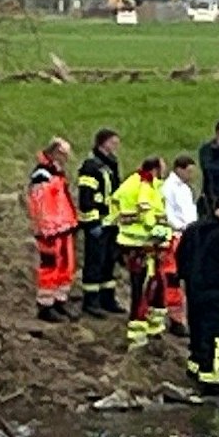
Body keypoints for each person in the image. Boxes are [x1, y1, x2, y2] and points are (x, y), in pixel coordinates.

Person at [178, 198, 219, 398]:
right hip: (218, 291)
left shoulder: (193, 229)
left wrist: (184, 277)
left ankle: (195, 368)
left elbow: (181, 255)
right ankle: (211, 380)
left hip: (194, 289)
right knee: (216, 336)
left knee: (197, 329)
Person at [111, 156, 171, 349]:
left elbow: (116, 203)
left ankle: (151, 328)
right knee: (145, 288)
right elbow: (146, 211)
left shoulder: (138, 182)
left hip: (140, 243)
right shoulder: (144, 185)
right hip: (142, 244)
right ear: (155, 169)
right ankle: (138, 334)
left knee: (153, 285)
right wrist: (156, 228)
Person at [25, 138, 80, 322]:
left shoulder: (55, 172)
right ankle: (46, 305)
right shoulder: (42, 174)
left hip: (62, 226)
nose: (66, 159)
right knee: (50, 267)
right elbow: (40, 204)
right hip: (50, 229)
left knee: (65, 266)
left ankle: (59, 300)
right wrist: (46, 227)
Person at [75, 130, 125, 318]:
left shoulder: (110, 165)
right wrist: (92, 222)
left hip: (110, 223)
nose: (115, 146)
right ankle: (91, 301)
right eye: (112, 142)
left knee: (108, 263)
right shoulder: (91, 166)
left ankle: (107, 298)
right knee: (94, 262)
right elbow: (86, 196)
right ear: (102, 143)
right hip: (97, 224)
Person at [160, 155, 198, 335]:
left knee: (181, 277)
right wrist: (182, 228)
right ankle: (174, 319)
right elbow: (169, 213)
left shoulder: (184, 188)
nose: (191, 175)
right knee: (172, 277)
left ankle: (181, 316)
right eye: (189, 171)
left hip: (187, 234)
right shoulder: (169, 188)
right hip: (176, 236)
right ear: (179, 169)